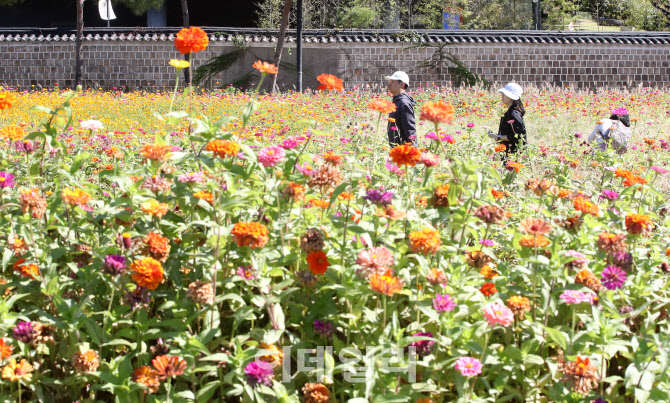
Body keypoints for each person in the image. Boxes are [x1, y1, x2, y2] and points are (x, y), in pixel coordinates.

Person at [488, 83, 527, 157]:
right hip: (508, 153)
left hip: (513, 155)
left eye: (504, 94)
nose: (502, 96)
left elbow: (517, 136)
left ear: (511, 97)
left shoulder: (514, 114)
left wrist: (497, 137)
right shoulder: (510, 112)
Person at [384, 71, 417, 147]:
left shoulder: (403, 103)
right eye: (389, 81)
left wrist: (411, 153)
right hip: (397, 151)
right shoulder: (397, 101)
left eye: (392, 81)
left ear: (402, 84)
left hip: (404, 153)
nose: (389, 84)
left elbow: (410, 131)